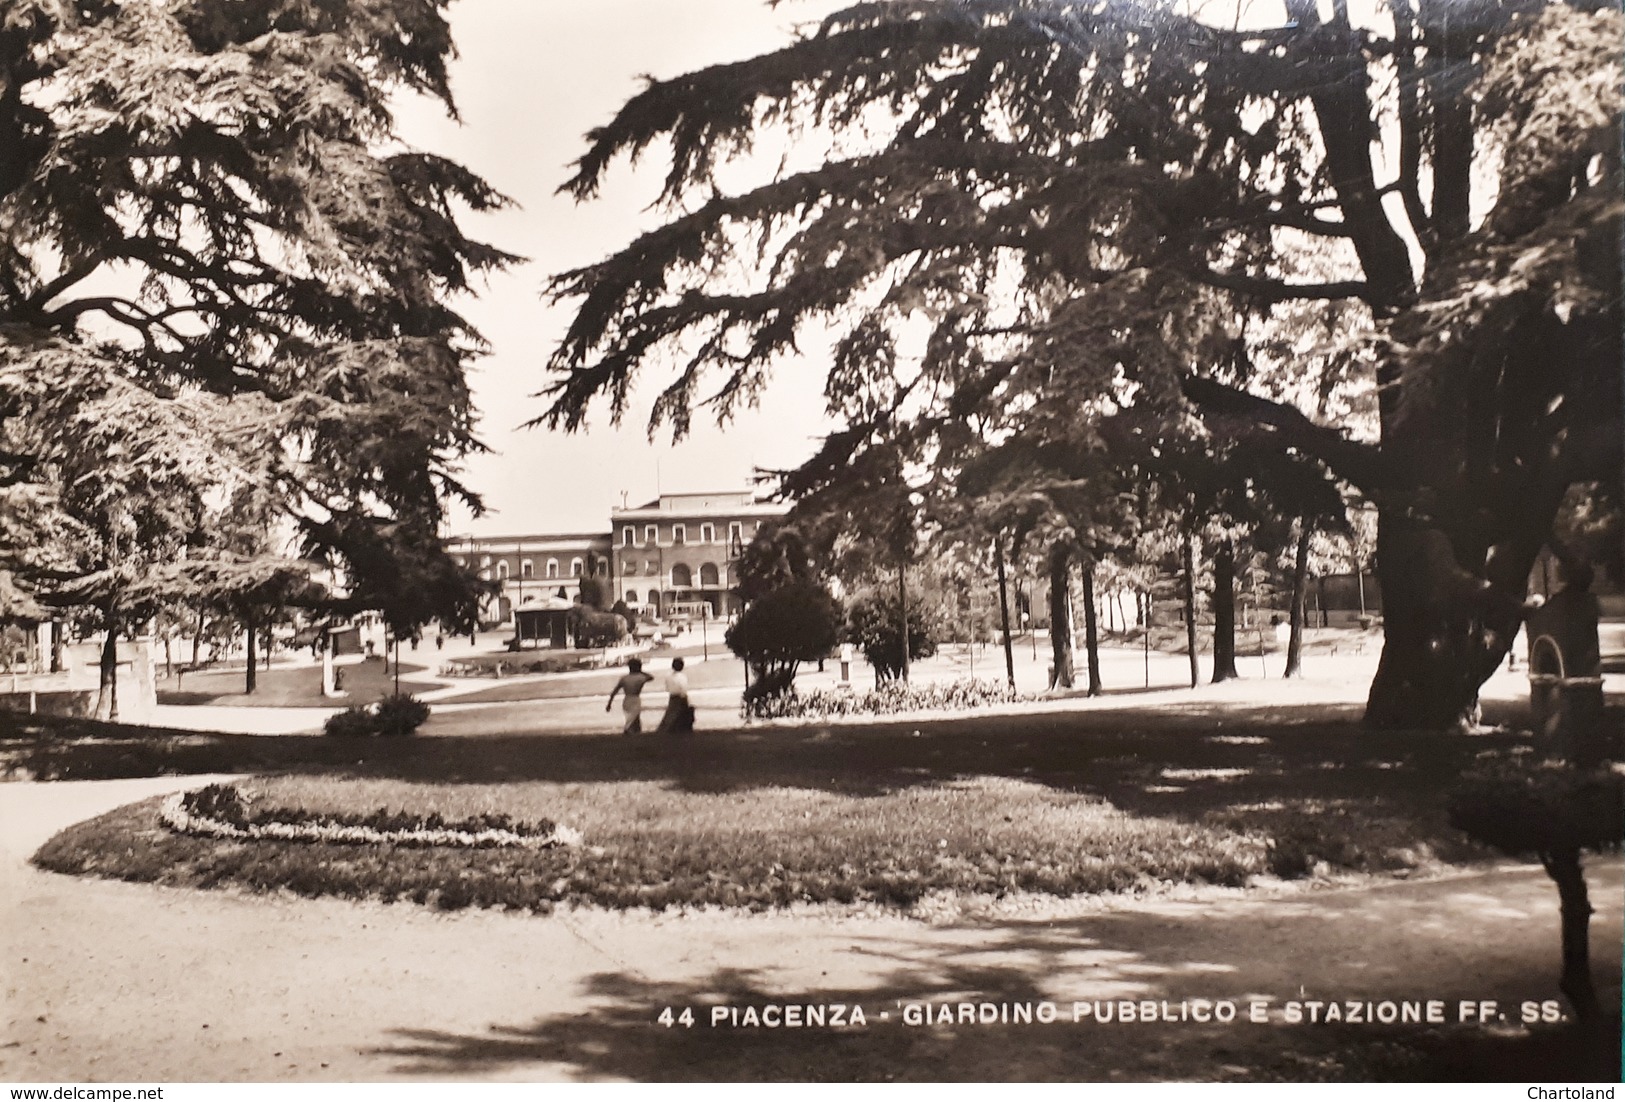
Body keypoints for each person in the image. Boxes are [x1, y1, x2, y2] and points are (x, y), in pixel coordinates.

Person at [606, 658, 655, 734]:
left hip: (627, 699)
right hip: (635, 699)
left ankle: (633, 733)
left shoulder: (625, 678)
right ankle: (631, 732)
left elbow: (614, 692)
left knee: (630, 718)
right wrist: (641, 671)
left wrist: (609, 704)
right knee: (634, 719)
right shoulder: (641, 677)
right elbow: (651, 677)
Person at [656, 656, 694, 734]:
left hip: (672, 696)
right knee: (682, 714)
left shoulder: (668, 676)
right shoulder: (682, 677)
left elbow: (667, 688)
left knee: (671, 714)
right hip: (680, 697)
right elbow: (683, 689)